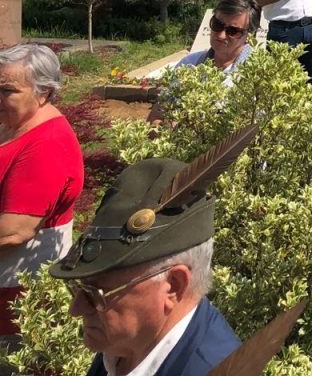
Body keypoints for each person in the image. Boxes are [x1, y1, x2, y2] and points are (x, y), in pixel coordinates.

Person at [51, 150, 249, 376]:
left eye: (94, 294)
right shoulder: (129, 345)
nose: (75, 309)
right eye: (77, 288)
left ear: (173, 286)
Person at [0, 44, 84, 337]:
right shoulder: (14, 124)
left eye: (7, 91)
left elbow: (13, 232)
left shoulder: (46, 145)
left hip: (15, 308)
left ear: (44, 93)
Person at [148, 0, 259, 125]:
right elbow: (156, 115)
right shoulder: (189, 64)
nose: (221, 35)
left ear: (249, 35)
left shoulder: (258, 75)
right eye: (217, 25)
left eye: (233, 31)